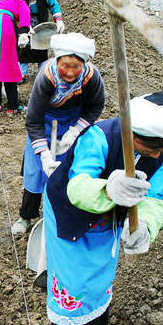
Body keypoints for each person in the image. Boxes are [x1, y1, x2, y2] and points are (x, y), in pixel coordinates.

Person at [42, 91, 163, 325]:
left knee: (101, 280)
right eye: (148, 148)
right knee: (70, 290)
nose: (154, 156)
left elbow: (155, 196)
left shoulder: (161, 154)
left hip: (107, 221)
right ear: (131, 133)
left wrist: (144, 227)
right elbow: (78, 186)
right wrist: (110, 189)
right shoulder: (98, 137)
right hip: (71, 215)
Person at [12, 33, 105, 235]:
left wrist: (75, 132)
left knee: (68, 172)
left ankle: (59, 216)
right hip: (44, 123)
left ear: (84, 64)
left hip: (74, 123)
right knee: (36, 172)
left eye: (76, 67)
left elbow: (95, 108)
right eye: (65, 66)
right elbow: (33, 119)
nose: (70, 73)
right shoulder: (46, 76)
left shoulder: (91, 77)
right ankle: (26, 216)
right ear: (57, 60)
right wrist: (44, 154)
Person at [17, 0, 65, 80]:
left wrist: (58, 19)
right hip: (24, 21)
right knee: (24, 46)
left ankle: (42, 72)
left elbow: (53, 5)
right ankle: (22, 72)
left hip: (40, 21)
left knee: (42, 46)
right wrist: (23, 23)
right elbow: (15, 7)